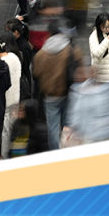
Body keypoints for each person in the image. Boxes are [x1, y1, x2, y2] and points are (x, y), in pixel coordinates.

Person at [33, 18, 76, 149]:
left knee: (52, 127)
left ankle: (55, 151)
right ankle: (66, 148)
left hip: (50, 95)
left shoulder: (41, 53)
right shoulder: (69, 49)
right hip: (67, 93)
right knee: (67, 125)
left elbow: (36, 73)